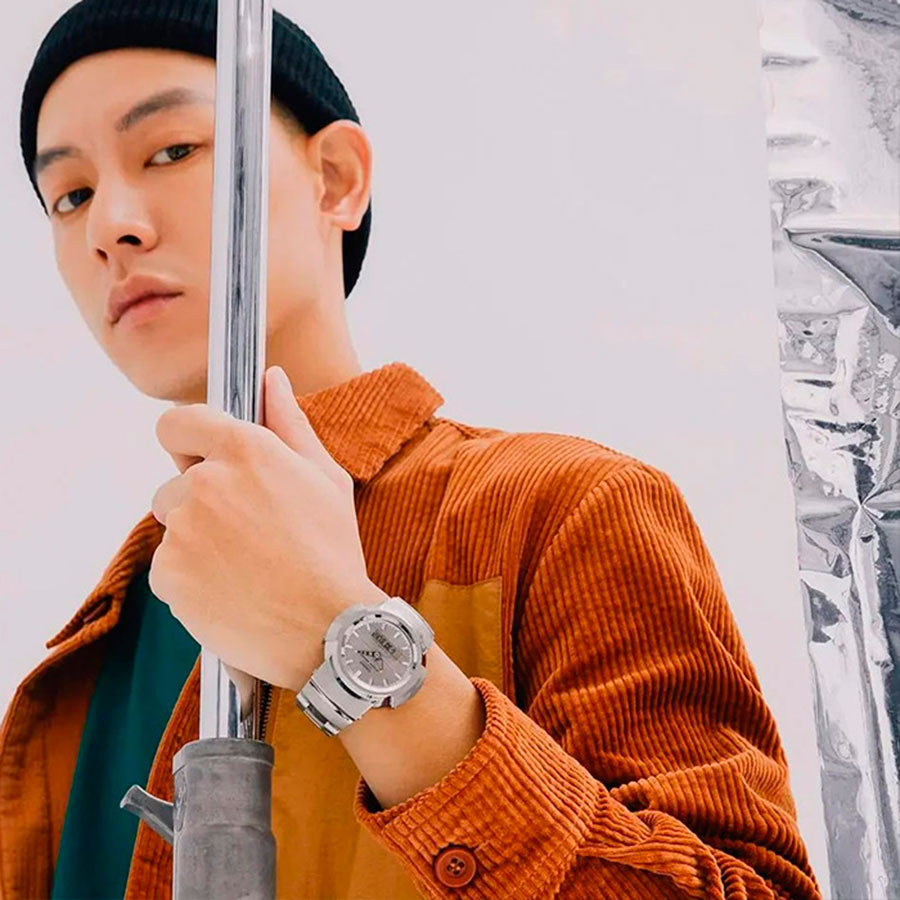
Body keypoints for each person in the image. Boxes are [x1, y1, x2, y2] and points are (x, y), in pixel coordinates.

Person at [0, 1, 822, 898]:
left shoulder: (559, 512)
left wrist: (352, 650)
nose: (109, 226)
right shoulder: (77, 673)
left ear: (336, 178)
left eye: (171, 150)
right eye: (69, 195)